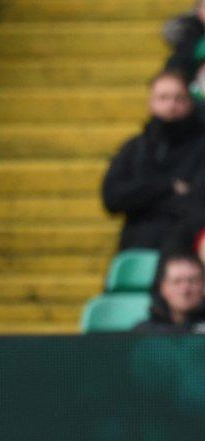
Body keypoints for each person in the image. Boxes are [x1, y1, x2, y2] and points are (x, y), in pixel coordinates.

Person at [103, 70, 205, 250]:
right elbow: (112, 197)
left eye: (178, 98)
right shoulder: (134, 148)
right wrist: (169, 187)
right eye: (163, 97)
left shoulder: (201, 148)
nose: (171, 105)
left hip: (185, 252)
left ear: (190, 102)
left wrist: (141, 198)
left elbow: (196, 202)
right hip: (137, 246)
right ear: (150, 103)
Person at [135, 252, 205, 333]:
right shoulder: (144, 332)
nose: (185, 290)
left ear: (203, 285)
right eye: (176, 282)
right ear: (163, 287)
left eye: (192, 281)